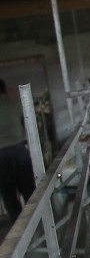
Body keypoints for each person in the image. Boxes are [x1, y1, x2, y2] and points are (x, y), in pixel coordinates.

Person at [0, 79, 36, 225]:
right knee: (29, 191)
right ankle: (36, 222)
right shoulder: (15, 104)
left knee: (8, 195)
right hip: (19, 151)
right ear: (5, 90)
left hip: (0, 156)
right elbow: (25, 123)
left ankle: (18, 226)